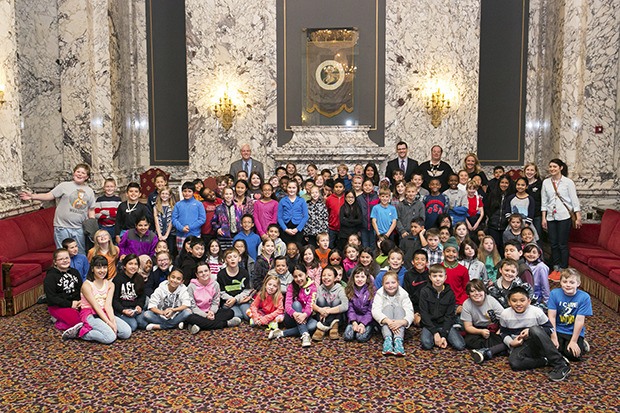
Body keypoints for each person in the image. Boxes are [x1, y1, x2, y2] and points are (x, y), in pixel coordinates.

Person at [19, 163, 96, 254]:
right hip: (62, 227)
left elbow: (91, 210)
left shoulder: (89, 191)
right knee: (62, 254)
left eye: (83, 173)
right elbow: (49, 195)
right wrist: (32, 196)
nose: (79, 174)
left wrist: (92, 227)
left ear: (87, 177)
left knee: (80, 254)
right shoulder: (64, 186)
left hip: (79, 228)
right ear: (74, 173)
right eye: (78, 171)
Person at [500, 286, 571, 381]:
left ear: (529, 301)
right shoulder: (505, 314)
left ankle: (560, 364)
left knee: (534, 329)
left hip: (538, 342)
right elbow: (503, 333)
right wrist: (511, 342)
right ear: (509, 302)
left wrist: (529, 331)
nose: (518, 304)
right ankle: (545, 361)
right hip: (522, 345)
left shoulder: (536, 312)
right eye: (514, 301)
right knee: (515, 363)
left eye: (522, 300)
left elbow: (550, 328)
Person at [541, 158, 582, 281]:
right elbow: (544, 201)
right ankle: (556, 267)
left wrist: (578, 216)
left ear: (561, 168)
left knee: (562, 244)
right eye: (551, 167)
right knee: (553, 243)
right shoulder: (546, 182)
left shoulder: (568, 182)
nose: (552, 169)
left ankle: (564, 269)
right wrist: (544, 218)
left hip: (564, 216)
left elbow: (574, 200)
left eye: (555, 167)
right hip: (550, 217)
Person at [77, 255, 132, 343]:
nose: (102, 270)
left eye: (104, 267)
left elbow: (108, 305)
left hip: (104, 312)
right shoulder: (87, 285)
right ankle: (82, 332)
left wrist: (113, 321)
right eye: (98, 267)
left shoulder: (110, 284)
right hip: (90, 314)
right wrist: (108, 323)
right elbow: (95, 306)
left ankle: (105, 329)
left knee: (126, 332)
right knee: (110, 338)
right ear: (92, 269)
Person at [547, 268, 593, 361]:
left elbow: (580, 320)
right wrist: (553, 336)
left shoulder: (584, 297)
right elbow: (551, 317)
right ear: (560, 282)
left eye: (572, 282)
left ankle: (582, 344)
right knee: (554, 351)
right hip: (558, 329)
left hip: (573, 331)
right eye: (565, 282)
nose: (568, 285)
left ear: (578, 284)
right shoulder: (554, 293)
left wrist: (574, 341)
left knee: (573, 355)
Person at [419, 264, 466, 351]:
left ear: (445, 277)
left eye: (440, 276)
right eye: (434, 276)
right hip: (430, 324)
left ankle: (444, 336)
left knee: (460, 345)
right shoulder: (424, 291)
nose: (437, 279)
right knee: (427, 345)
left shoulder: (450, 293)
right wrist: (435, 333)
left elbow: (449, 315)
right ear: (430, 277)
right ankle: (436, 336)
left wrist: (444, 335)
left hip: (444, 324)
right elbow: (424, 314)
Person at [269, 264, 318, 347]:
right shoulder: (291, 286)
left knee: (314, 325)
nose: (298, 279)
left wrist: (304, 315)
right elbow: (287, 305)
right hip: (291, 318)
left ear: (306, 274)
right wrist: (295, 314)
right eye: (295, 276)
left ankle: (281, 333)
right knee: (296, 304)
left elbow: (310, 305)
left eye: (300, 275)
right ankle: (305, 335)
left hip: (305, 317)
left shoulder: (312, 287)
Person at [185, 263, 241, 334]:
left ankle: (200, 325)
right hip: (198, 313)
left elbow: (215, 302)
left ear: (210, 272)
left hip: (212, 312)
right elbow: (193, 306)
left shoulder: (215, 284)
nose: (204, 274)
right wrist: (205, 315)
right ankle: (226, 323)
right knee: (190, 318)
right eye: (200, 272)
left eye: (206, 271)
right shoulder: (191, 286)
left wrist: (211, 312)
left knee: (230, 312)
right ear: (197, 275)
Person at [462, 279, 505, 364]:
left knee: (501, 339)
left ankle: (484, 350)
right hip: (477, 328)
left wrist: (500, 330)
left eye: (479, 290)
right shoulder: (466, 304)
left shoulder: (491, 300)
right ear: (469, 294)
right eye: (473, 291)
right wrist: (480, 331)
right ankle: (489, 350)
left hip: (493, 328)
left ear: (484, 291)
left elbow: (505, 318)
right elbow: (468, 327)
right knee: (468, 340)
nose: (477, 293)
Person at [44, 249, 84, 339]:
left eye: (67, 258)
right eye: (61, 259)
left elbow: (80, 289)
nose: (65, 260)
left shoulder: (75, 272)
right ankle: (58, 321)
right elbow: (51, 298)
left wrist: (79, 302)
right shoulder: (50, 277)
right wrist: (70, 304)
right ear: (55, 262)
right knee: (77, 322)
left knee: (89, 317)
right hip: (59, 305)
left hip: (76, 302)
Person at [372, 271, 414, 356]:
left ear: (398, 283)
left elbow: (409, 311)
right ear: (383, 284)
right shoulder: (379, 293)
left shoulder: (403, 294)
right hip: (386, 324)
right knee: (388, 308)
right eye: (387, 283)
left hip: (399, 323)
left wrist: (402, 322)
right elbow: (375, 310)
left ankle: (398, 340)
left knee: (399, 308)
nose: (390, 285)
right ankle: (388, 340)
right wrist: (388, 321)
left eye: (393, 282)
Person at [311, 266, 349, 341]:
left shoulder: (340, 289)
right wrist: (320, 310)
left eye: (329, 275)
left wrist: (328, 311)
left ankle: (326, 327)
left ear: (335, 278)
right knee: (321, 300)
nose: (326, 277)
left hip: (337, 319)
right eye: (324, 275)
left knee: (336, 301)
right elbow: (312, 304)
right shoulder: (319, 288)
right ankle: (327, 327)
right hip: (322, 316)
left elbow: (345, 306)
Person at [112, 254, 147, 331]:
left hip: (134, 308)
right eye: (130, 264)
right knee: (133, 326)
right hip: (122, 309)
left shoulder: (139, 278)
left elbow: (142, 295)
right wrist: (123, 310)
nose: (133, 266)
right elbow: (114, 300)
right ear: (124, 266)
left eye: (135, 264)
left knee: (143, 324)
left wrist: (139, 306)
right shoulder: (118, 279)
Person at [217, 248, 254, 320]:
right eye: (229, 257)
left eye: (235, 257)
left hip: (241, 300)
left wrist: (236, 299)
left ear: (239, 258)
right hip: (228, 301)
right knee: (238, 316)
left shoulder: (244, 272)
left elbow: (247, 290)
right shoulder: (221, 274)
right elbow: (221, 292)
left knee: (247, 316)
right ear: (225, 260)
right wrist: (231, 299)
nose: (232, 259)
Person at [343, 267, 375, 342]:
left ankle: (371, 329)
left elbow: (370, 310)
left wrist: (362, 324)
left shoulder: (372, 291)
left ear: (367, 278)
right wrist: (354, 322)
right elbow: (350, 308)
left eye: (362, 277)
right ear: (353, 278)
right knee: (348, 336)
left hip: (367, 320)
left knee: (360, 337)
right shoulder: (349, 290)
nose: (359, 279)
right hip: (354, 318)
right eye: (357, 277)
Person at [172, 181, 206, 252]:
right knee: (181, 254)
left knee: (195, 253)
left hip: (194, 234)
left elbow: (202, 219)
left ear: (193, 192)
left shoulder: (198, 204)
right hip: (181, 235)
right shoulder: (178, 205)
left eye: (189, 191)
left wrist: (190, 227)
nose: (187, 193)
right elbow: (174, 219)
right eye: (185, 191)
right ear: (182, 192)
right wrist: (181, 228)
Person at [402, 249, 429, 327]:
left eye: (423, 259)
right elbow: (407, 295)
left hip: (427, 306)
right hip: (413, 306)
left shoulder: (430, 275)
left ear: (427, 262)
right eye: (417, 259)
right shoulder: (408, 275)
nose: (419, 261)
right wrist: (415, 312)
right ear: (412, 262)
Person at [277, 180, 308, 246]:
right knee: (286, 247)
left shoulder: (301, 200)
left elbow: (305, 216)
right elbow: (279, 217)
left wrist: (298, 229)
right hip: (286, 227)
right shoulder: (282, 201)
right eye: (289, 187)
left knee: (297, 247)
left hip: (297, 228)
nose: (291, 190)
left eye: (294, 188)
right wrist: (285, 229)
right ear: (286, 188)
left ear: (297, 189)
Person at [153, 186, 176, 256]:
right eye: (162, 193)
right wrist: (159, 234)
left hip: (170, 233)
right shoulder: (156, 206)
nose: (164, 195)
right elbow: (156, 220)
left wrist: (166, 235)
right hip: (159, 232)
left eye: (166, 194)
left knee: (170, 250)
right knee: (159, 250)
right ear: (159, 195)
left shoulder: (173, 207)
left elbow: (172, 221)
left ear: (170, 196)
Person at [524, 162, 543, 237]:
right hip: (524, 215)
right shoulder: (521, 183)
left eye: (532, 170)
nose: (529, 172)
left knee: (537, 236)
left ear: (535, 172)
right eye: (527, 170)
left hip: (536, 215)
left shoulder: (540, 184)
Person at [325, 179, 346, 248]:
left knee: (342, 246)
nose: (338, 189)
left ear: (344, 188)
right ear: (333, 188)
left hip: (343, 227)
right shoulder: (329, 199)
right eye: (336, 187)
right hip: (332, 227)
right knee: (330, 245)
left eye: (340, 187)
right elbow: (327, 211)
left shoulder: (346, 198)